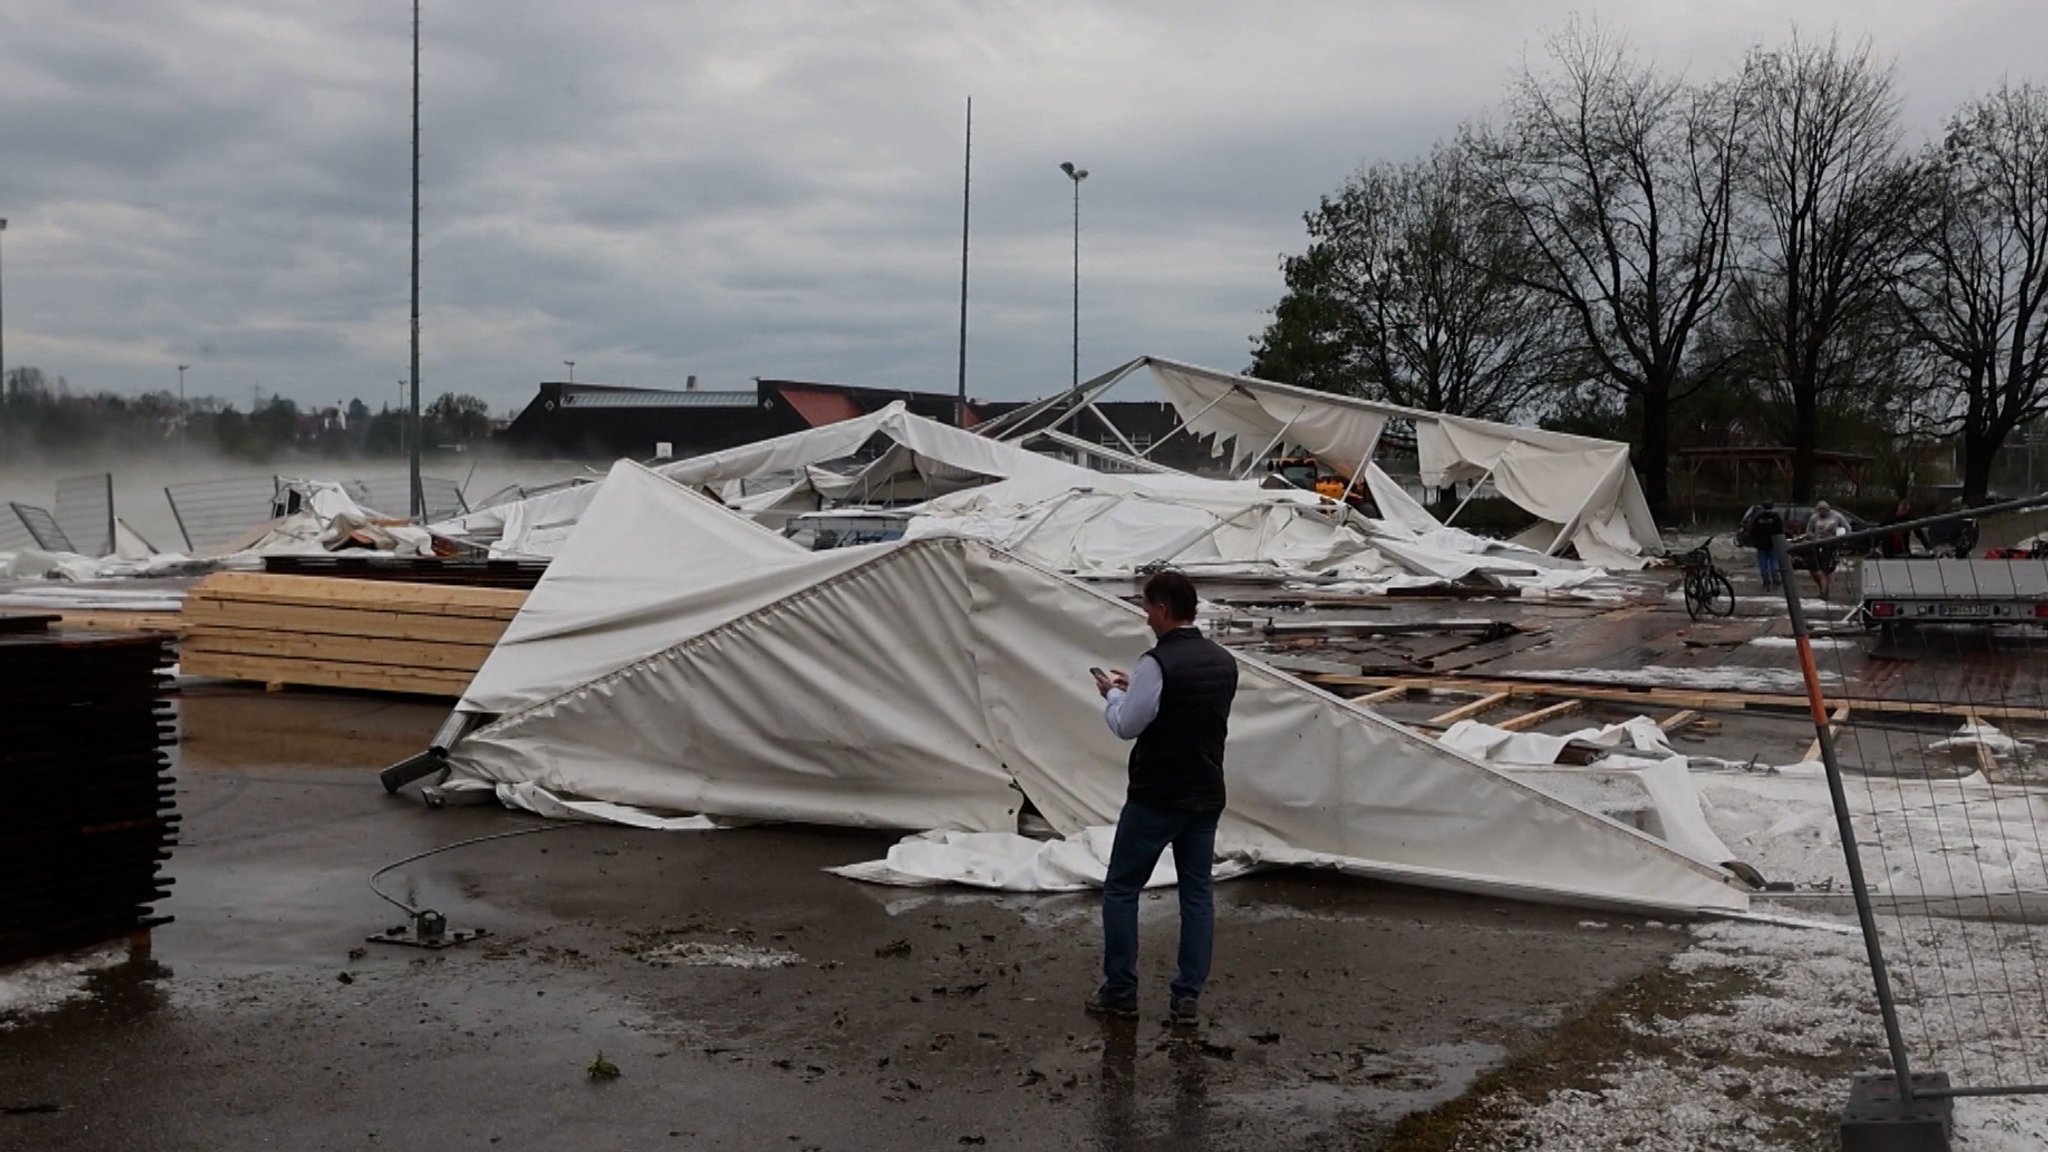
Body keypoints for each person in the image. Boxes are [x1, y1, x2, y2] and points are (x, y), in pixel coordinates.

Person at [1088, 570, 1239, 1028]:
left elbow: (1126, 727)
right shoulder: (1223, 661)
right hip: (1206, 792)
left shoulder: (1155, 662)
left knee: (1120, 890)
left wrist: (1113, 696)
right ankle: (1186, 997)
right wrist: (1140, 691)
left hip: (1157, 795)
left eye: (1147, 606)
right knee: (1197, 894)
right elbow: (1188, 707)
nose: (1144, 615)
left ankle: (1120, 992)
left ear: (1164, 610)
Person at [1804, 500, 1851, 600]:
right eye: (1820, 510)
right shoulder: (1814, 518)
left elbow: (1847, 528)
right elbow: (1808, 530)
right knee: (1814, 569)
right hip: (1817, 544)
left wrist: (1842, 538)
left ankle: (1824, 591)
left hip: (1831, 545)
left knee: (1824, 570)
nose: (1822, 513)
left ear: (1828, 509)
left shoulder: (1837, 516)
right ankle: (1823, 587)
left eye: (1824, 510)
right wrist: (1814, 537)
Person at [1750, 502, 1786, 589]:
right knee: (1773, 561)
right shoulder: (1775, 517)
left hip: (1760, 544)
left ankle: (1765, 579)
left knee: (1762, 563)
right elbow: (1780, 530)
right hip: (1773, 543)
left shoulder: (1758, 517)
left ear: (1762, 507)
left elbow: (1753, 531)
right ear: (1772, 507)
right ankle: (1775, 578)